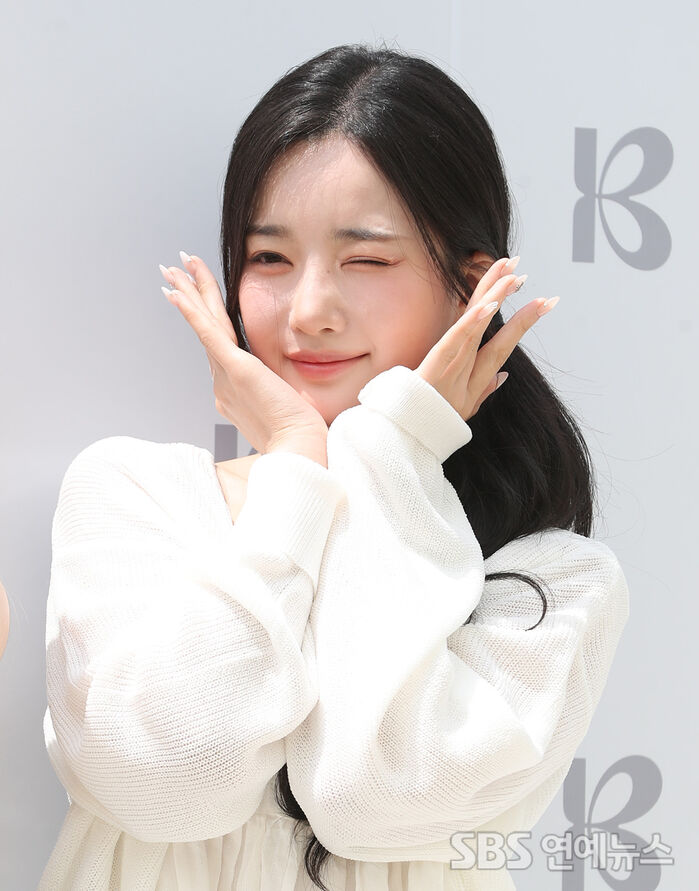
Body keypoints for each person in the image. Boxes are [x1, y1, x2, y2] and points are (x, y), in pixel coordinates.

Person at [38, 43, 629, 891]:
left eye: (366, 260)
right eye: (269, 259)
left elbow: (369, 798)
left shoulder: (549, 581)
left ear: (471, 290)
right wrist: (293, 460)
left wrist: (392, 451)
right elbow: (166, 785)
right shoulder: (135, 496)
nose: (308, 311)